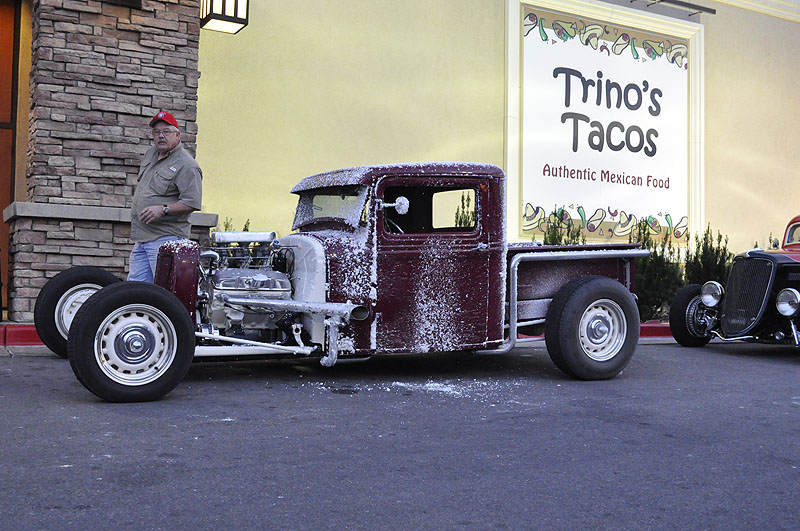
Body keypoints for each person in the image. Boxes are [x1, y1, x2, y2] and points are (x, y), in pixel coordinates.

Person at [128, 110, 203, 282]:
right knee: (135, 290)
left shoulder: (187, 165)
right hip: (142, 237)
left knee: (165, 291)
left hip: (166, 239)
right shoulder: (150, 154)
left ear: (177, 135)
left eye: (166, 132)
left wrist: (164, 209)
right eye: (157, 132)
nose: (161, 136)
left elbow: (192, 202)